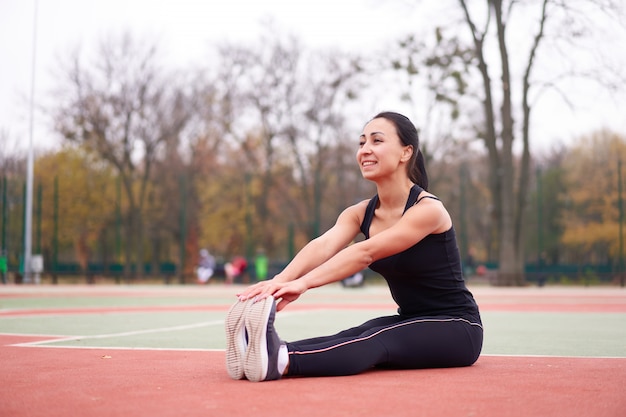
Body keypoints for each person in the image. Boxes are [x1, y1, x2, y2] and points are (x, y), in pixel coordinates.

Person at [224, 111, 483, 382]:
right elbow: (323, 245)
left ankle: (281, 361)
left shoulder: (428, 210)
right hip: (412, 319)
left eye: (376, 141)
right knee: (353, 335)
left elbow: (364, 252)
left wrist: (303, 284)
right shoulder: (360, 213)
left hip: (458, 327)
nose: (365, 150)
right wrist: (279, 282)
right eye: (361, 143)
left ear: (406, 152)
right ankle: (264, 353)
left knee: (374, 340)